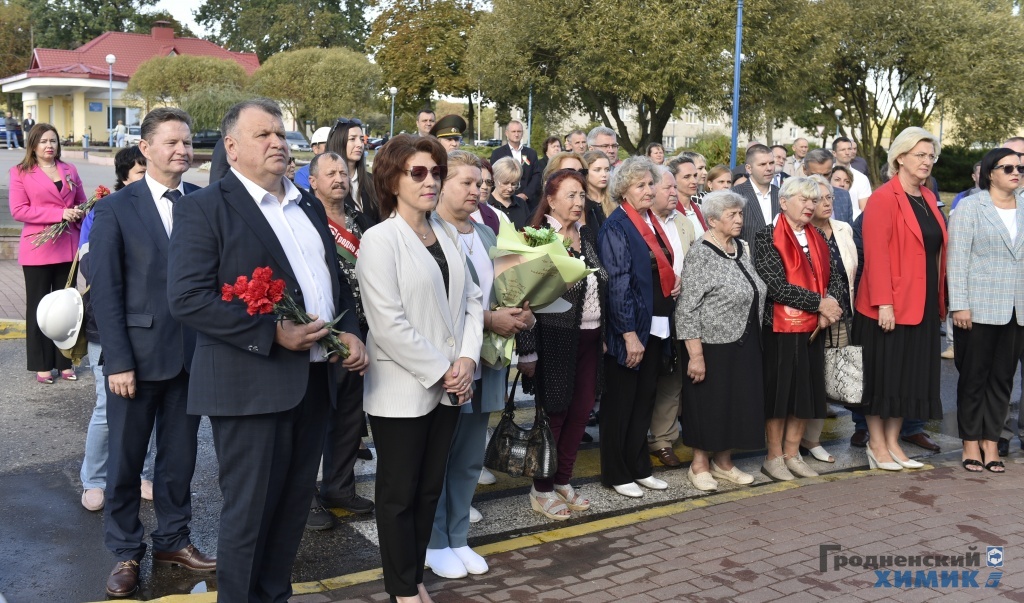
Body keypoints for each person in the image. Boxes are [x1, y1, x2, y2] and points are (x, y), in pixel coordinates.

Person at [166, 99, 368, 603]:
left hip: (314, 379)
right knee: (249, 515)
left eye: (280, 133)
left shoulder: (306, 207)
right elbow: (187, 298)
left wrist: (351, 329)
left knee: (292, 509)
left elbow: (335, 286)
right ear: (231, 148)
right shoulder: (204, 208)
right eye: (264, 135)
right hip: (250, 384)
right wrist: (270, 332)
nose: (278, 142)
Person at [90, 108, 212, 597]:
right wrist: (117, 359)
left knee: (179, 460)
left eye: (187, 142)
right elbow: (106, 290)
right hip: (135, 362)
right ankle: (124, 552)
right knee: (124, 462)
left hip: (193, 357)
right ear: (145, 147)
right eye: (171, 142)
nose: (182, 150)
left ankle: (173, 540)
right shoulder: (117, 208)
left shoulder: (203, 202)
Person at [356, 134, 482, 603]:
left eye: (436, 172)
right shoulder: (379, 239)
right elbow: (387, 323)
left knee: (430, 489)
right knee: (398, 494)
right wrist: (444, 370)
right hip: (401, 387)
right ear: (392, 180)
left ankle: (415, 577)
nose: (431, 181)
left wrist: (467, 358)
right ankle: (401, 587)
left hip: (450, 382)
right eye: (419, 173)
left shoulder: (446, 232)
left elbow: (471, 299)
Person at [426, 150, 532, 576]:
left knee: (469, 456)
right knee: (437, 455)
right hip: (447, 365)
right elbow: (435, 306)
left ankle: (457, 536)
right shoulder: (428, 233)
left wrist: (523, 312)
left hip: (487, 360)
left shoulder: (488, 234)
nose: (476, 191)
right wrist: (492, 318)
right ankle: (433, 542)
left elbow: (507, 288)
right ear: (440, 184)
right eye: (466, 182)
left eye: (480, 183)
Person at [854, 127, 946, 472]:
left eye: (930, 156)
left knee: (907, 378)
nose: (926, 162)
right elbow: (876, 255)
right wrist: (884, 304)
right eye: (920, 155)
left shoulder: (927, 198)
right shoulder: (884, 198)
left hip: (921, 304)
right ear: (900, 158)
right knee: (883, 378)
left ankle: (893, 443)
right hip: (887, 305)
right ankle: (876, 445)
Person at [516, 168, 607, 516]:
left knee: (581, 411)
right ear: (550, 199)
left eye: (581, 195)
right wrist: (528, 349)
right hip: (554, 337)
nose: (578, 201)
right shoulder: (537, 238)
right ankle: (541, 488)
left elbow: (598, 283)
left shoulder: (585, 235)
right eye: (570, 195)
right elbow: (521, 296)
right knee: (555, 412)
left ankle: (562, 480)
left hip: (590, 335)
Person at [77, 146, 156, 513]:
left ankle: (138, 473)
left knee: (145, 408)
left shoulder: (161, 207)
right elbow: (94, 270)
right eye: (141, 173)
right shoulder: (104, 210)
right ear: (125, 177)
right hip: (104, 327)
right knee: (108, 408)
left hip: (148, 328)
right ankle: (93, 479)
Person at [754, 177, 845, 481]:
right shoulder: (766, 236)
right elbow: (776, 285)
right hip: (779, 329)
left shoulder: (818, 234)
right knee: (780, 395)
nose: (810, 206)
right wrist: (819, 304)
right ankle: (773, 457)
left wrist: (830, 303)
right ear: (784, 202)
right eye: (803, 200)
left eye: (814, 200)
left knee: (804, 394)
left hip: (814, 331)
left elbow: (836, 277)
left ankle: (793, 454)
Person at [677, 191, 767, 490]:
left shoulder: (741, 247)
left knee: (739, 402)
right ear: (712, 220)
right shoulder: (701, 252)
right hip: (712, 345)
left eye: (740, 214)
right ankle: (699, 464)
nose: (739, 219)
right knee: (709, 405)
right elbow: (687, 307)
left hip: (746, 338)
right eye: (732, 215)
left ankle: (724, 462)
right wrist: (696, 355)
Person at [305, 152, 377, 529]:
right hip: (319, 331)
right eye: (329, 173)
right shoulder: (305, 218)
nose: (339, 178)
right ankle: (305, 497)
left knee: (350, 414)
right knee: (315, 418)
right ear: (312, 181)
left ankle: (339, 487)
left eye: (343, 172)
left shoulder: (360, 220)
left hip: (361, 329)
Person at [598, 156, 675, 498]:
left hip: (655, 327)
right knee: (621, 404)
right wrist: (628, 334)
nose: (649, 189)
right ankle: (617, 472)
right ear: (624, 190)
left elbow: (657, 267)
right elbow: (618, 283)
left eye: (650, 183)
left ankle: (638, 466)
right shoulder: (617, 225)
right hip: (631, 331)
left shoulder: (650, 221)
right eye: (641, 185)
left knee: (644, 401)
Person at [948, 148, 1024, 473]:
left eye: (1020, 167)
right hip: (977, 309)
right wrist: (959, 304)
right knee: (973, 378)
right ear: (990, 172)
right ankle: (970, 444)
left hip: (1016, 309)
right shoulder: (969, 207)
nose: (1016, 172)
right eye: (1007, 167)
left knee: (1003, 379)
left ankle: (991, 443)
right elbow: (957, 259)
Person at [8, 123, 86, 383]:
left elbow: (81, 201)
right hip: (38, 250)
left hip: (68, 248)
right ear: (33, 145)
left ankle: (65, 361)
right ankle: (42, 364)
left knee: (67, 308)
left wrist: (80, 211)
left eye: (53, 140)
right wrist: (58, 214)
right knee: (39, 308)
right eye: (43, 141)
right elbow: (19, 210)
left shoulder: (69, 169)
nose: (49, 146)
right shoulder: (20, 172)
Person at [800, 175, 857, 464]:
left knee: (829, 381)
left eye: (830, 198)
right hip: (807, 319)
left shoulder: (844, 229)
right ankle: (792, 440)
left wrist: (838, 307)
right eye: (819, 198)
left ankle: (813, 439)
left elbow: (849, 274)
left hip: (840, 317)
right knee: (805, 380)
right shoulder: (799, 231)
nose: (825, 203)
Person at [646, 166, 694, 468]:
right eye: (668, 188)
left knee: (672, 378)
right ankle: (636, 436)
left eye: (676, 188)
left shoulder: (685, 224)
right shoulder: (639, 223)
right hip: (648, 314)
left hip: (680, 311)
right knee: (644, 378)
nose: (675, 193)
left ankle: (662, 439)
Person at [327, 117, 380, 223]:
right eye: (352, 139)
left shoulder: (373, 181)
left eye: (361, 139)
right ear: (339, 141)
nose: (359, 145)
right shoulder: (324, 183)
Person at [542, 151, 606, 231]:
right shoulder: (539, 222)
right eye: (569, 172)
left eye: (581, 172)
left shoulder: (593, 209)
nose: (577, 177)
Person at [735, 144, 780, 252]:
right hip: (747, 264)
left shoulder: (782, 195)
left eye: (771, 163)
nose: (769, 168)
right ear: (749, 168)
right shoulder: (735, 195)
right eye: (762, 164)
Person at [489, 120, 541, 210]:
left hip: (527, 202)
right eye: (513, 131)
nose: (516, 134)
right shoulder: (498, 153)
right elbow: (493, 175)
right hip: (503, 201)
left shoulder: (531, 153)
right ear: (507, 133)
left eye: (519, 131)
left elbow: (537, 175)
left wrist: (526, 194)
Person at [802, 148, 854, 224]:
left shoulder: (844, 196)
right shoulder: (794, 197)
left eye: (826, 174)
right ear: (804, 169)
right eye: (815, 175)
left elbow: (849, 232)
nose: (820, 179)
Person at [667, 156, 708, 234]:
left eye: (695, 175)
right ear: (673, 180)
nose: (694, 181)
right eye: (687, 177)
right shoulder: (669, 213)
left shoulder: (700, 208)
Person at [833, 137, 872, 216]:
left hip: (853, 225)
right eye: (843, 150)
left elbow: (865, 210)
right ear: (834, 153)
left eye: (849, 149)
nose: (847, 153)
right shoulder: (826, 175)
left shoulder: (861, 178)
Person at [488, 156, 530, 229]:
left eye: (514, 184)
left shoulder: (521, 204)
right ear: (494, 179)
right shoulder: (487, 204)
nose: (510, 189)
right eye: (505, 183)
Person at [583, 150, 614, 219]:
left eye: (607, 170)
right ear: (586, 172)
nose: (604, 174)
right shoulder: (581, 202)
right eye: (597, 170)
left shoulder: (614, 200)